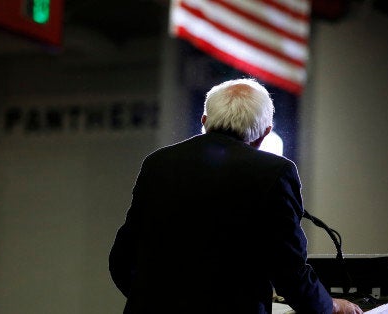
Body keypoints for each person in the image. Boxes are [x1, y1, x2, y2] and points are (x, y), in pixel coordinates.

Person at [109, 78, 363, 314]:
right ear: (265, 133)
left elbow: (121, 259)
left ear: (204, 120)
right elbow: (290, 274)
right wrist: (332, 306)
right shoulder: (275, 172)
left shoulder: (158, 164)